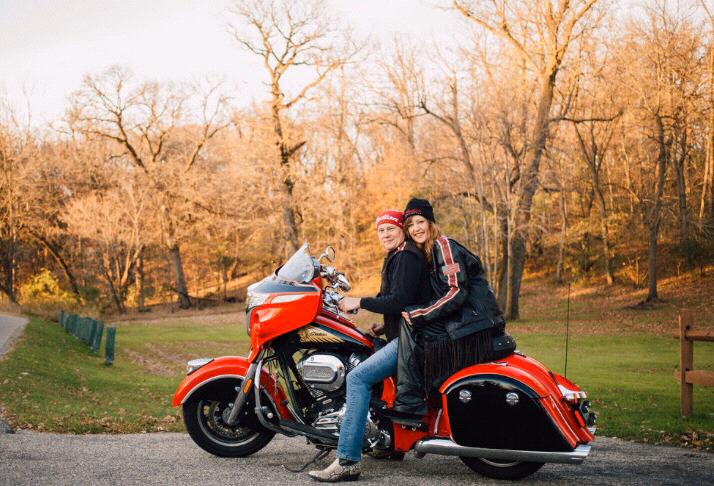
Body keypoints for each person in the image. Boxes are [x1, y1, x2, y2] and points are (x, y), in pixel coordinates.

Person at [308, 209, 431, 483]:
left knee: (357, 378)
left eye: (391, 229)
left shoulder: (407, 256)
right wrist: (383, 326)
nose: (385, 234)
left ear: (402, 230)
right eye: (381, 230)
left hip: (410, 342)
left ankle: (347, 461)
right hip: (404, 335)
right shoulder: (397, 255)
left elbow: (399, 300)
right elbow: (400, 299)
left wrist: (360, 301)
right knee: (360, 352)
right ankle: (386, 444)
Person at [394, 198, 507, 416]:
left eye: (420, 222)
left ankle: (409, 401)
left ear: (430, 223)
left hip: (477, 326)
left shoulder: (444, 246)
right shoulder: (429, 254)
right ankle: (425, 396)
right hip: (465, 323)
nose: (416, 229)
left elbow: (456, 292)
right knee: (411, 321)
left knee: (410, 324)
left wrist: (418, 314)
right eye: (410, 225)